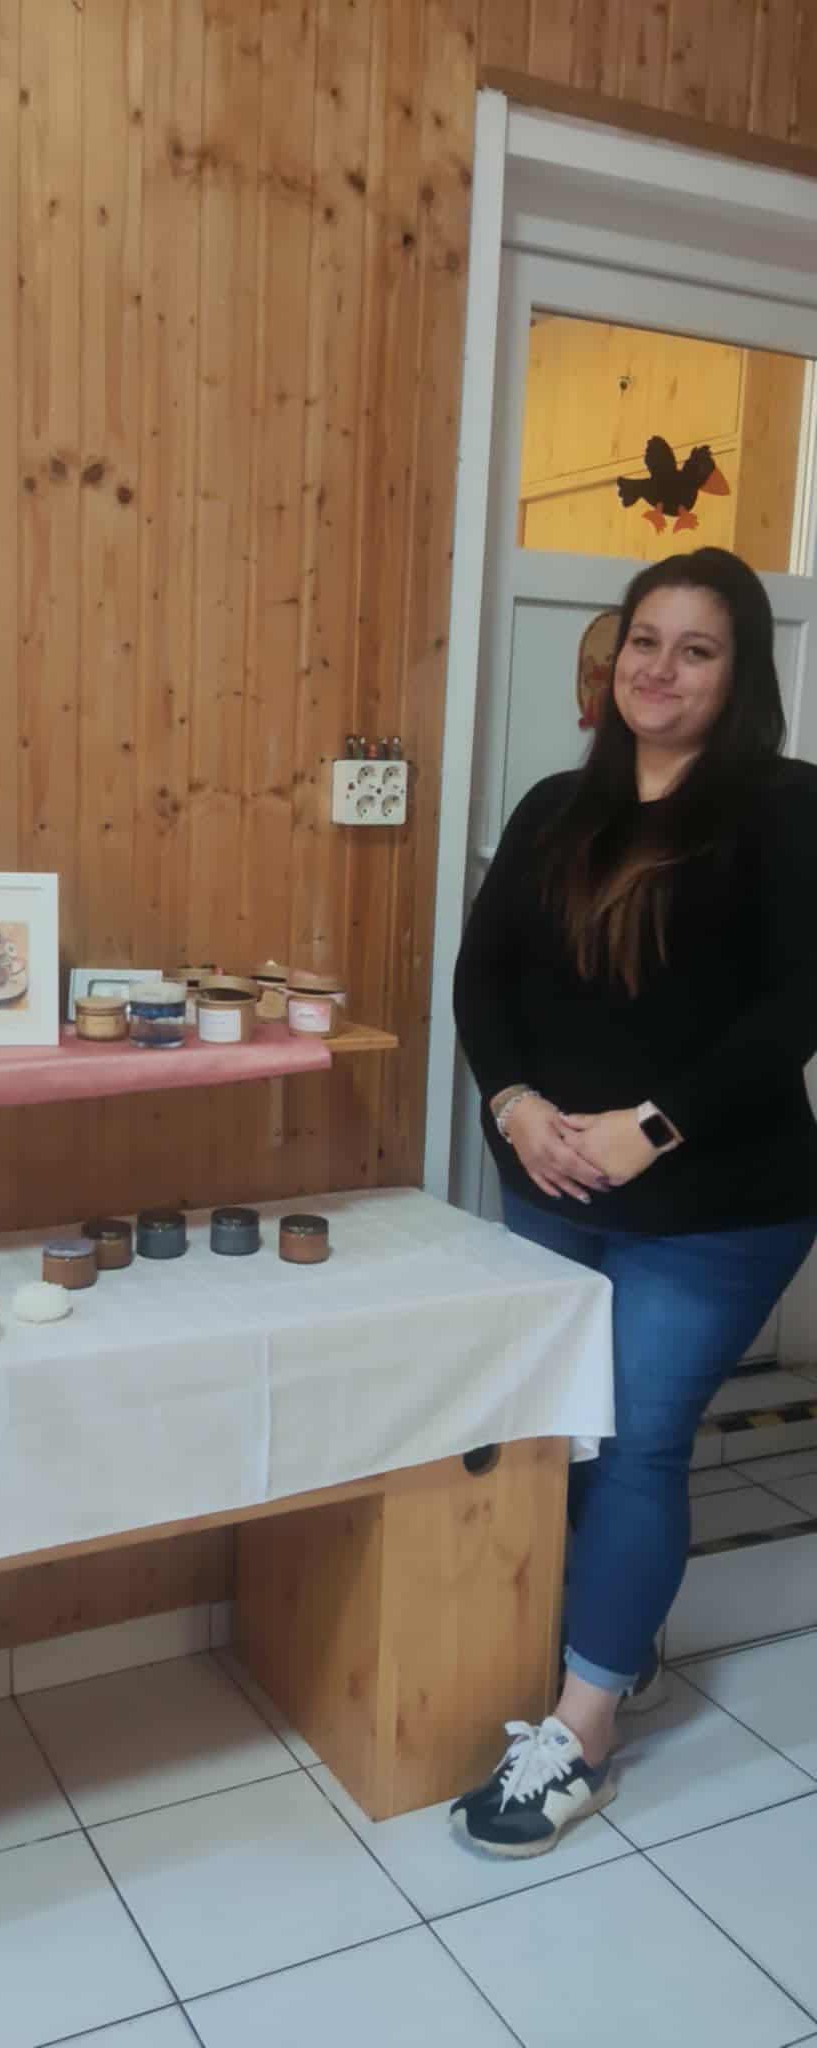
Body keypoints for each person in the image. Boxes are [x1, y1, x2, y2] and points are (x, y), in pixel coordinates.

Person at [450, 547, 817, 1857]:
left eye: (696, 648)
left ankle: (584, 1734)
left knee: (643, 1439)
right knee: (575, 1437)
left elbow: (796, 1008)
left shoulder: (785, 805)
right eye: (644, 641)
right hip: (553, 1184)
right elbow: (486, 976)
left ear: (740, 672)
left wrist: (651, 1127)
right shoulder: (560, 807)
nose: (659, 669)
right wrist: (512, 1104)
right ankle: (617, 1642)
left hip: (719, 1203)